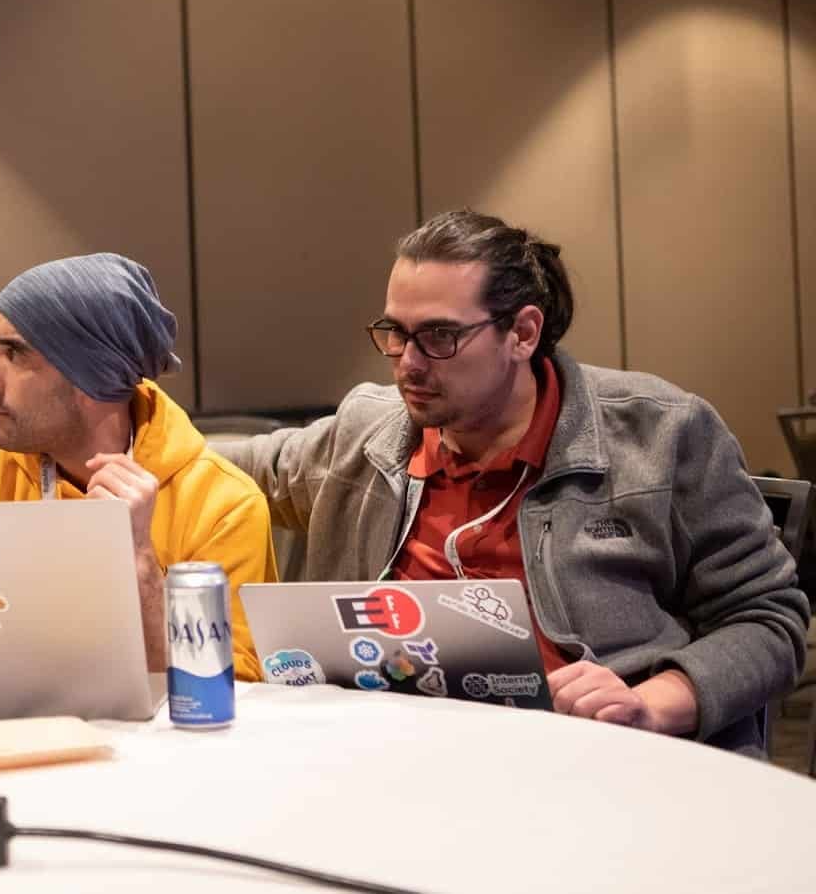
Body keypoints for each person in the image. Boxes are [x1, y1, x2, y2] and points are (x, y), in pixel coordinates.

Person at [222, 210, 809, 752]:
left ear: (523, 333)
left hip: (595, 758)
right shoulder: (367, 436)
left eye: (440, 337)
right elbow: (214, 466)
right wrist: (135, 417)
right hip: (390, 755)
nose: (409, 363)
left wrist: (651, 704)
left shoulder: (660, 435)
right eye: (395, 333)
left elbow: (769, 620)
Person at [0, 253, 277, 681]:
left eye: (13, 353)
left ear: (93, 379)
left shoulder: (223, 507)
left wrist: (140, 564)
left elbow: (237, 691)